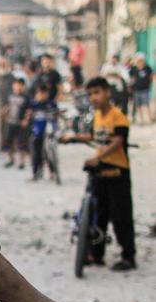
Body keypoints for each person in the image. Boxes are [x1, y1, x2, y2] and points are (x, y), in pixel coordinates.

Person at [62, 77, 136, 271]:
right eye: (90, 94)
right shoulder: (97, 116)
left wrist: (98, 157)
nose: (94, 97)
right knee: (98, 215)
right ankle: (96, 255)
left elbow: (117, 141)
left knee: (121, 217)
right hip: (100, 173)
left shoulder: (117, 116)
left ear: (107, 92)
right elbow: (96, 137)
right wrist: (73, 138)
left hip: (117, 173)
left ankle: (128, 257)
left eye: (97, 92)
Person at [24, 85, 58, 181]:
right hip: (38, 130)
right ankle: (36, 173)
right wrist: (27, 118)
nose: (41, 96)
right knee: (36, 153)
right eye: (39, 93)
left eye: (43, 93)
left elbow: (57, 114)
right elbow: (29, 113)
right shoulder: (34, 104)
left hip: (49, 131)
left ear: (47, 94)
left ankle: (53, 172)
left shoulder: (51, 104)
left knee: (49, 153)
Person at [4, 78, 30, 169]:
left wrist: (26, 120)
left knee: (21, 143)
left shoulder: (26, 97)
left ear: (23, 86)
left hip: (20, 122)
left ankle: (22, 162)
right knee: (8, 141)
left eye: (19, 85)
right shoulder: (11, 96)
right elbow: (7, 106)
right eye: (15, 85)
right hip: (11, 121)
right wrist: (5, 112)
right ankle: (11, 159)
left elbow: (29, 110)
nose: (17, 87)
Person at [128, 53, 153, 124]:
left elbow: (151, 77)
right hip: (136, 89)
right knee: (138, 105)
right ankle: (141, 120)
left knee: (146, 104)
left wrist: (149, 84)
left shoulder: (147, 68)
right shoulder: (133, 69)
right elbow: (131, 78)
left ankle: (150, 118)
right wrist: (130, 86)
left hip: (145, 89)